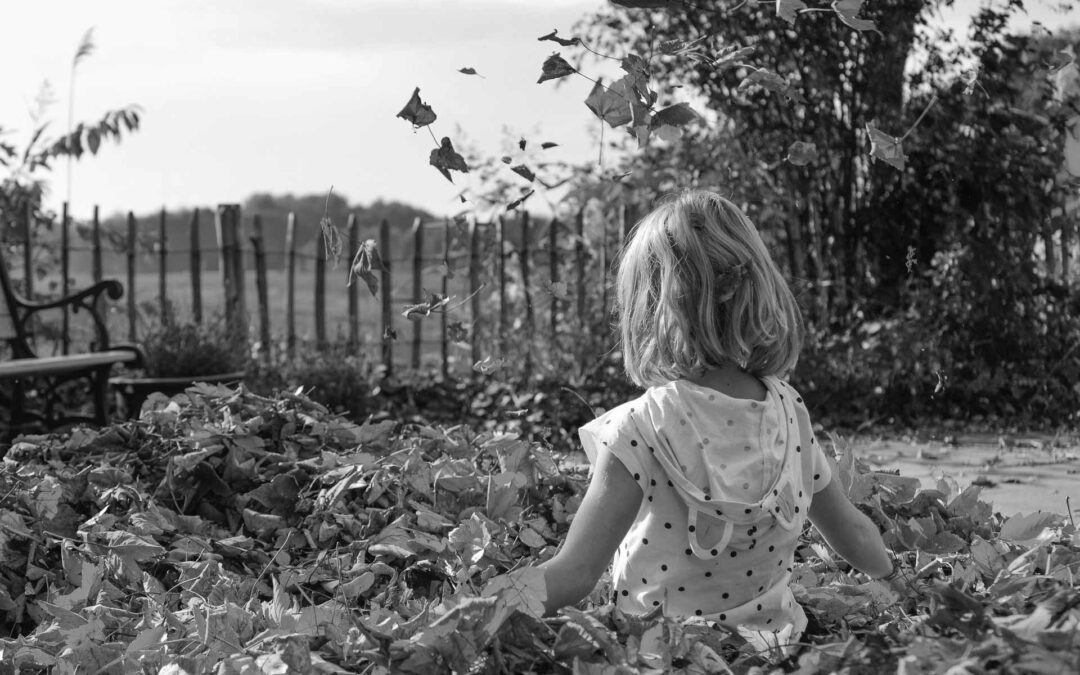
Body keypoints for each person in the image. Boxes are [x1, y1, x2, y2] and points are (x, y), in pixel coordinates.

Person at [535, 190, 899, 646]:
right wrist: (896, 581)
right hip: (775, 646)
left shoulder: (639, 429)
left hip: (665, 652)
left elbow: (575, 573)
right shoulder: (789, 411)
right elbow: (854, 534)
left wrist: (493, 602)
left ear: (650, 312)